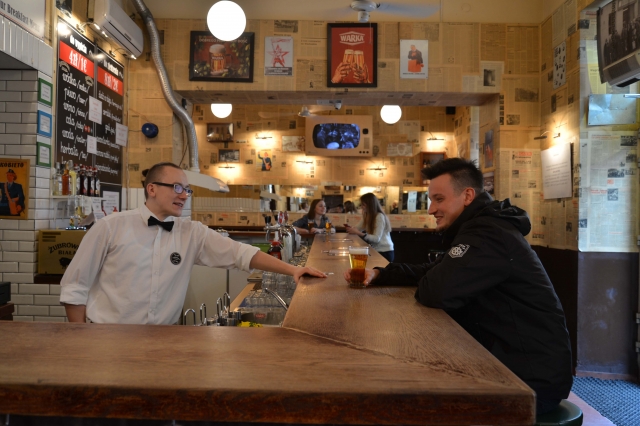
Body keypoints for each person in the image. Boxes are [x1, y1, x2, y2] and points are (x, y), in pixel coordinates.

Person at [343, 158, 573, 415]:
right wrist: (381, 273)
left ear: (468, 196)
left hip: (529, 381)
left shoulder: (487, 233)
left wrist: (432, 274)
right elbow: (434, 271)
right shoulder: (480, 227)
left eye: (439, 199)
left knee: (404, 396)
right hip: (511, 362)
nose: (432, 209)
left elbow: (435, 291)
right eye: (431, 200)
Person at [59, 162, 326, 324]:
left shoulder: (192, 233)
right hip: (107, 340)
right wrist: (81, 340)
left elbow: (241, 253)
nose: (184, 195)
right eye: (177, 188)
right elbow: (74, 286)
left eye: (187, 190)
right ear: (152, 188)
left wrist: (293, 270)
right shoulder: (110, 227)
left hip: (163, 343)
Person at [345, 193, 394, 262]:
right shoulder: (367, 216)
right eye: (361, 205)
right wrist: (351, 229)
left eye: (363, 205)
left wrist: (358, 233)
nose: (361, 207)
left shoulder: (379, 216)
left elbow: (376, 239)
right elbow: (357, 228)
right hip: (376, 250)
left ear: (370, 205)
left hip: (385, 252)